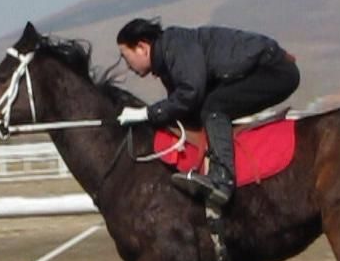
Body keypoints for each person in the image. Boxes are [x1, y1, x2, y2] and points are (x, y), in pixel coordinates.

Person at [116, 18, 300, 206]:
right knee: (207, 108)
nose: (127, 65)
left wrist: (146, 114)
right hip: (268, 67)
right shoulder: (169, 55)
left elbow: (190, 94)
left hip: (275, 71)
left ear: (142, 47)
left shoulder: (176, 48)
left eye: (125, 56)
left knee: (213, 107)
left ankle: (222, 181)